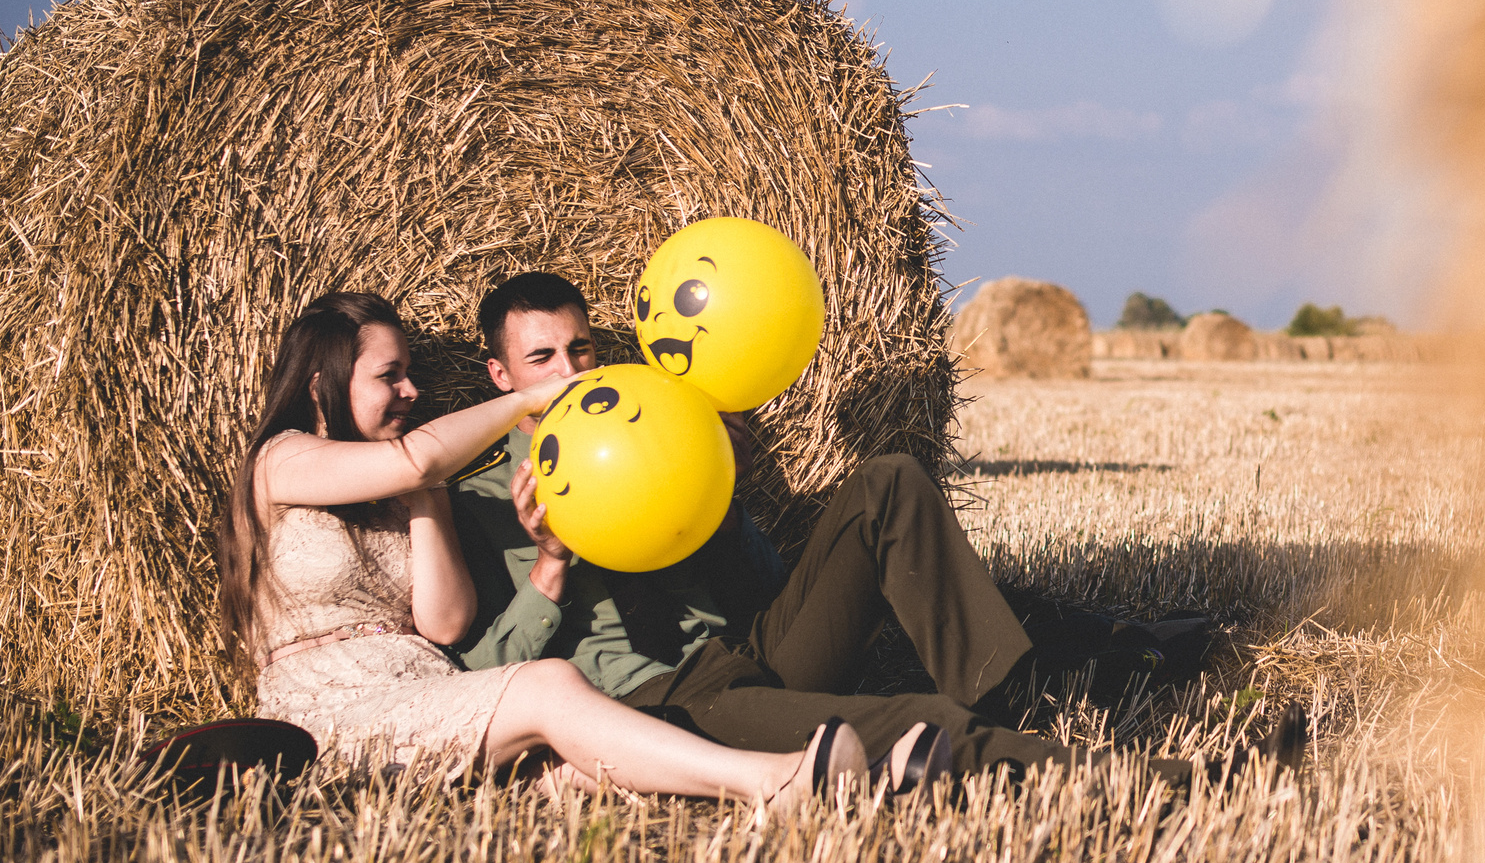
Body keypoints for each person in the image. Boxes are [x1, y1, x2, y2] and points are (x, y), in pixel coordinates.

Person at [449, 272, 1258, 782]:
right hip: (670, 704)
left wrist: (722, 492)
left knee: (888, 482)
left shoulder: (651, 434)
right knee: (917, 722)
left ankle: (1014, 689)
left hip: (752, 647)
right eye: (542, 358)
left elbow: (763, 588)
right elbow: (480, 678)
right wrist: (551, 566)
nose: (571, 373)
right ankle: (1168, 778)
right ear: (498, 376)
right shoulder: (483, 503)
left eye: (581, 349)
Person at [220, 290, 953, 802]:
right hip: (330, 713)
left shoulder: (411, 487)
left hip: (424, 688)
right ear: (321, 385)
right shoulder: (279, 460)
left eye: (412, 371)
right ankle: (777, 781)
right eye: (391, 375)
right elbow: (418, 458)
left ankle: (864, 778)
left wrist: (427, 498)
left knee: (578, 767)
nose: (412, 389)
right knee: (549, 689)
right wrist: (522, 408)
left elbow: (441, 624)